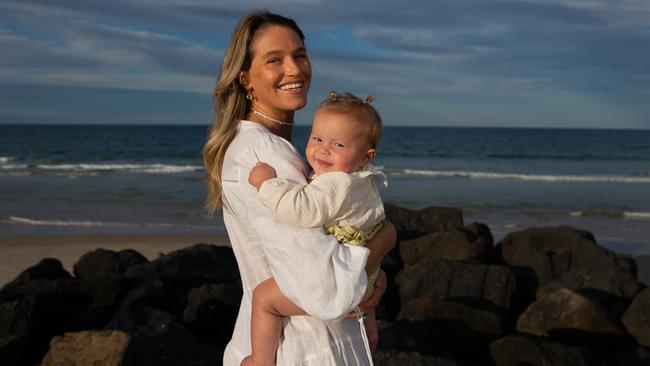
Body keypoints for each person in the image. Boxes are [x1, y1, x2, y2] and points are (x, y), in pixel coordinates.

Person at [202, 10, 396, 366]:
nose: (294, 69)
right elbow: (322, 282)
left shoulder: (279, 151)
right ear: (245, 78)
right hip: (302, 347)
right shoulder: (265, 155)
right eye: (274, 60)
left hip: (301, 337)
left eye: (300, 55)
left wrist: (372, 276)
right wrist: (384, 242)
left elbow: (337, 240)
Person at [243, 92, 386, 366]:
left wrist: (266, 183)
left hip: (338, 283)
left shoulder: (336, 184)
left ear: (366, 157)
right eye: (317, 138)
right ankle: (369, 325)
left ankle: (260, 359)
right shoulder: (363, 183)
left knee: (264, 299)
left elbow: (300, 210)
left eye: (338, 144)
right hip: (362, 279)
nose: (323, 150)